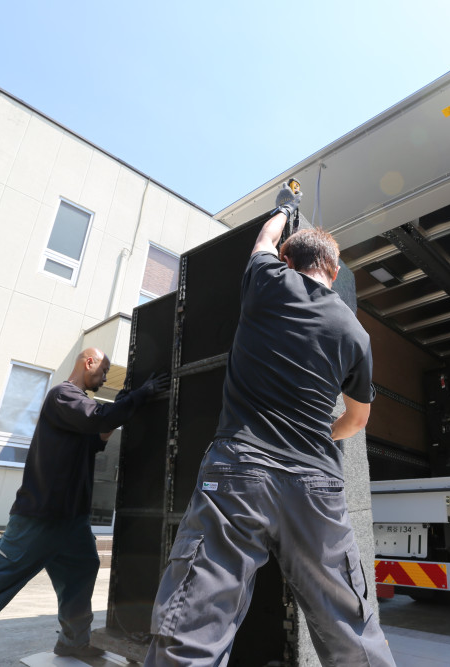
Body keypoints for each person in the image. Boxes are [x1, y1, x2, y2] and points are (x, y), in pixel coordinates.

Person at [145, 184, 395, 666]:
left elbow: (263, 240)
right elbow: (358, 418)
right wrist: (322, 435)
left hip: (238, 472)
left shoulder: (266, 280)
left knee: (194, 622)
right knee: (351, 629)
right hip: (316, 485)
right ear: (334, 271)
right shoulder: (356, 333)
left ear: (287, 259)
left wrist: (285, 208)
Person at [0, 348, 169, 666]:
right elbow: (99, 418)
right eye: (103, 370)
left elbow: (99, 435)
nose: (104, 377)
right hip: (39, 519)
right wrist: (140, 395)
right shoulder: (63, 395)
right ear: (88, 362)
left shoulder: (79, 412)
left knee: (82, 573)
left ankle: (73, 643)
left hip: (72, 522)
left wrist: (124, 403)